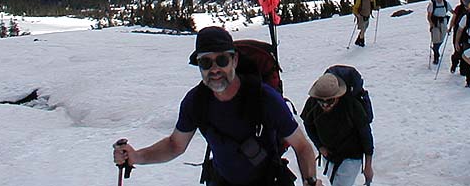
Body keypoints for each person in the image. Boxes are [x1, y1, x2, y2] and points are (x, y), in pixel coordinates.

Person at [113, 26, 322, 186]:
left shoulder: (264, 98)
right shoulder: (195, 102)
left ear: (235, 60)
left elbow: (301, 146)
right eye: (206, 62)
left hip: (267, 180)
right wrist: (136, 156)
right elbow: (174, 145)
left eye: (222, 60)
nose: (214, 69)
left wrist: (310, 181)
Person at [300, 73, 374, 186]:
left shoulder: (352, 106)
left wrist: (368, 165)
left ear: (337, 96)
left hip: (351, 156)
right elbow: (308, 124)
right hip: (329, 155)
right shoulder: (312, 103)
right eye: (321, 101)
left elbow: (366, 135)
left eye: (329, 101)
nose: (325, 105)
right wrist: (319, 146)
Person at [448, 0, 470, 74]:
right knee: (458, 51)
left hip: (467, 32)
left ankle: (463, 70)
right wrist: (450, 27)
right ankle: (455, 63)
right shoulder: (459, 8)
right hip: (458, 30)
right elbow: (454, 18)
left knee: (465, 51)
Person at [426, 0, 453, 64]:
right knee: (436, 39)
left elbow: (452, 11)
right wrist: (431, 24)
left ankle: (436, 49)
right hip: (435, 23)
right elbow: (429, 16)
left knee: (442, 38)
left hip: (443, 22)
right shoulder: (432, 4)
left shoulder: (445, 3)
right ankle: (436, 55)